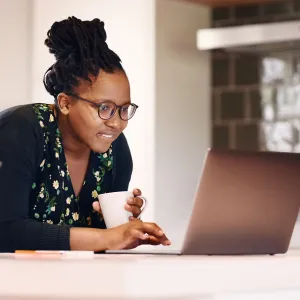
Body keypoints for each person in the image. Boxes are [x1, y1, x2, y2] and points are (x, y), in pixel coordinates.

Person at [0, 16, 170, 252]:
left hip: (74, 281)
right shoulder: (22, 130)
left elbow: (100, 245)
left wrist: (122, 225)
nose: (117, 123)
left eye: (123, 109)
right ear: (66, 103)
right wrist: (108, 238)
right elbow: (6, 231)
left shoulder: (116, 150)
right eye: (104, 108)